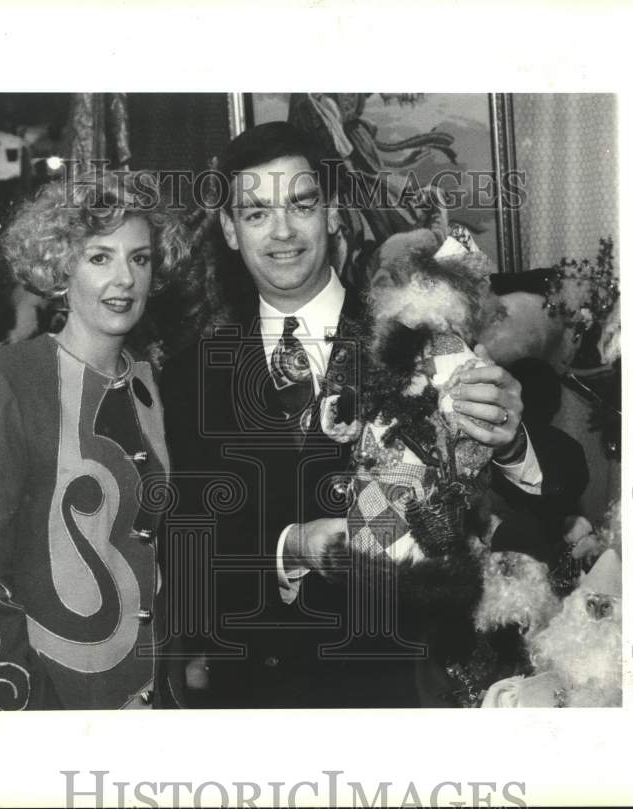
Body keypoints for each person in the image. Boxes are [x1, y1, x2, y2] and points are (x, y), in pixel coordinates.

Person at [160, 122, 548, 708]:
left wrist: (511, 441)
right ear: (230, 231)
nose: (283, 231)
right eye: (257, 213)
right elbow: (186, 547)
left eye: (302, 203)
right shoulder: (189, 375)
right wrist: (291, 545)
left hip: (410, 687)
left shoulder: (420, 337)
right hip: (261, 699)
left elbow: (535, 511)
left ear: (335, 211)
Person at [0, 169, 189, 709]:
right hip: (50, 702)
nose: (124, 279)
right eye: (100, 257)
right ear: (61, 265)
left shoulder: (150, 384)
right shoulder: (5, 380)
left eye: (139, 258)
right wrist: (32, 708)